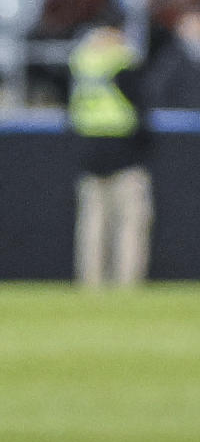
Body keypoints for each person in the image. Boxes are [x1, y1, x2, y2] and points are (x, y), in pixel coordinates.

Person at [68, 23, 153, 287]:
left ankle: (90, 284)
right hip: (125, 154)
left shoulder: (82, 62)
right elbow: (141, 105)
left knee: (92, 227)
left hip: (89, 154)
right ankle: (127, 284)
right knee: (130, 225)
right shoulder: (121, 61)